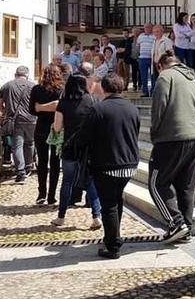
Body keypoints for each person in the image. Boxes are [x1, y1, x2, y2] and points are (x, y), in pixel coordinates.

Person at [75, 74, 141, 259]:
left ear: (103, 88)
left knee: (109, 204)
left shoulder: (99, 109)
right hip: (129, 163)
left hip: (108, 164)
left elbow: (83, 136)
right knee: (116, 200)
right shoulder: (132, 108)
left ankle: (112, 245)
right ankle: (114, 237)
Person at [149, 52, 195, 244]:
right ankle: (186, 229)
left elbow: (159, 107)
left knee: (157, 184)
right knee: (186, 187)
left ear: (159, 66)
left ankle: (176, 223)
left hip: (172, 137)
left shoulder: (165, 76)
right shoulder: (192, 79)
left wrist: (154, 133)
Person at [51, 74, 102, 230]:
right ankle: (96, 216)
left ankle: (61, 217)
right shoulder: (92, 101)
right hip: (88, 147)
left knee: (67, 182)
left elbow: (57, 127)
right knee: (90, 181)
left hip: (69, 146)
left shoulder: (63, 103)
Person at [0, 66, 38, 184]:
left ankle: (20, 171)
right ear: (27, 75)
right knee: (30, 143)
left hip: (14, 120)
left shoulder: (7, 86)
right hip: (31, 119)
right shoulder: (33, 86)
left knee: (17, 146)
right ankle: (28, 166)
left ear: (15, 74)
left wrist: (6, 112)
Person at [30, 65, 64, 205]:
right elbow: (60, 107)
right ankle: (51, 196)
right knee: (55, 163)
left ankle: (41, 193)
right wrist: (52, 107)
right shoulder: (60, 90)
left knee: (42, 162)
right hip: (56, 127)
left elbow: (32, 110)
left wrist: (41, 107)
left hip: (41, 127)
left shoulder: (36, 90)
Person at [151, 25, 174, 92]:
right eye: (154, 32)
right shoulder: (154, 41)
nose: (156, 33)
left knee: (164, 80)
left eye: (157, 31)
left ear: (162, 32)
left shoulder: (166, 41)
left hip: (163, 64)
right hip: (155, 63)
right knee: (156, 80)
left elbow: (170, 53)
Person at [137, 23, 155, 96]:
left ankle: (153, 91)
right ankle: (145, 92)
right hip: (142, 58)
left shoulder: (154, 36)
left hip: (152, 58)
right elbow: (138, 46)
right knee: (143, 76)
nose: (147, 29)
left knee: (153, 76)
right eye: (145, 27)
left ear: (152, 28)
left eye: (148, 27)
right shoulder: (140, 36)